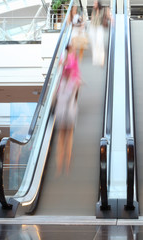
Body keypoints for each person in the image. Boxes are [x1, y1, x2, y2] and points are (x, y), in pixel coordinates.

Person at [55, 44, 81, 176]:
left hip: (63, 111)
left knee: (62, 136)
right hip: (69, 111)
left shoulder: (61, 83)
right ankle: (65, 164)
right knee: (67, 136)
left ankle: (61, 165)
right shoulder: (73, 82)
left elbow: (56, 96)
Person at [89, 0, 110, 66]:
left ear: (98, 4)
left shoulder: (103, 10)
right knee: (94, 43)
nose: (94, 4)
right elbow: (92, 19)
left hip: (99, 27)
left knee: (100, 42)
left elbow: (108, 16)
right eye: (94, 3)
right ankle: (95, 59)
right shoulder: (93, 11)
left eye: (95, 3)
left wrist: (112, 20)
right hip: (93, 28)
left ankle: (101, 59)